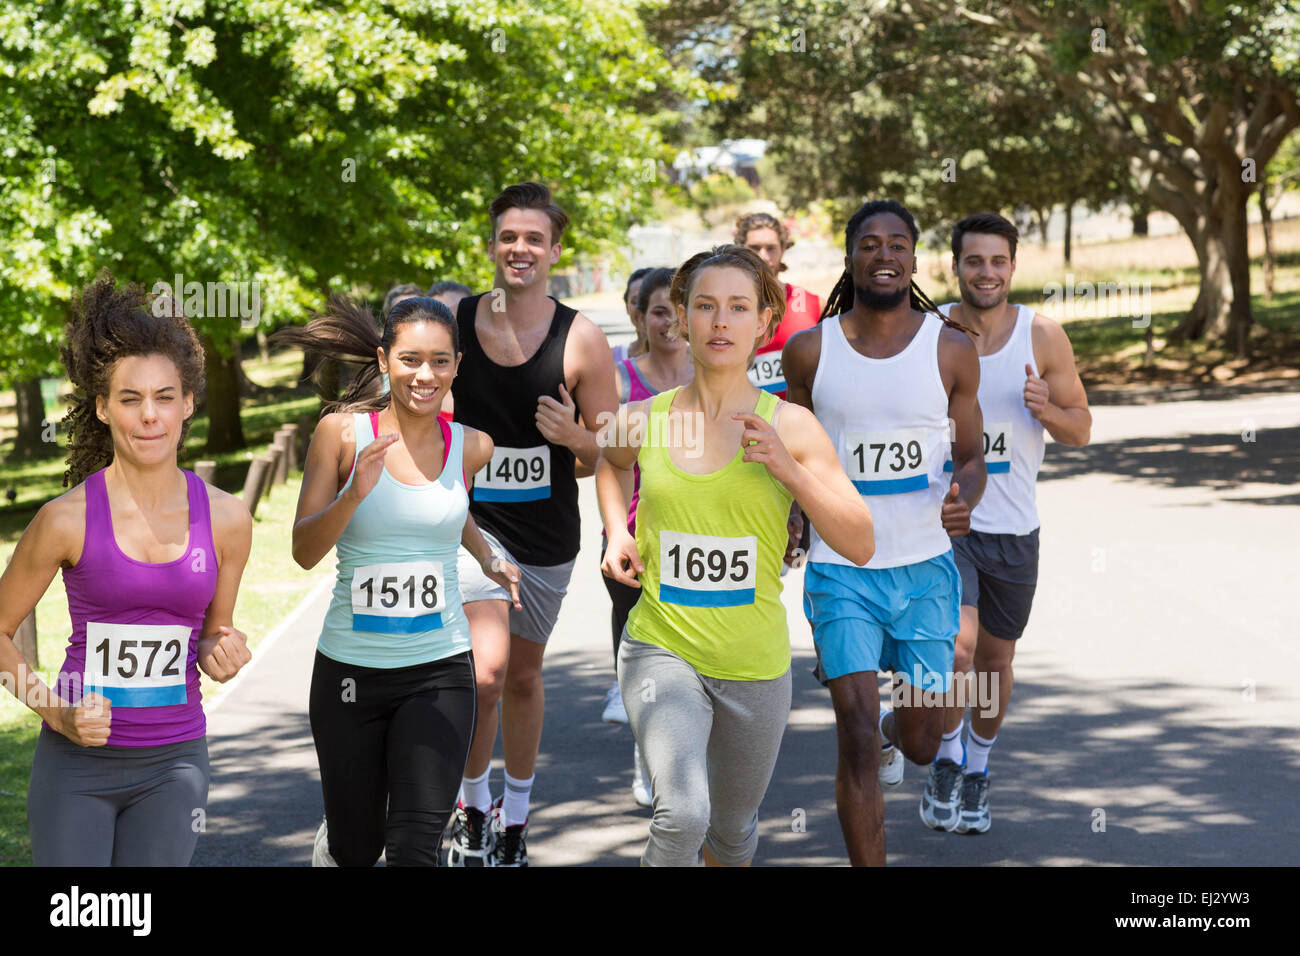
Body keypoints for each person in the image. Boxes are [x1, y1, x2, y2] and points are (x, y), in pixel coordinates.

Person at [598, 245, 873, 867]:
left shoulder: (793, 426)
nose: (721, 322)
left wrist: (787, 469)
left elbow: (859, 539)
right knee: (682, 814)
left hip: (754, 662)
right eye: (704, 306)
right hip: (660, 646)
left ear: (763, 323)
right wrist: (617, 531)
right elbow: (607, 465)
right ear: (679, 320)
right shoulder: (642, 419)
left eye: (738, 307)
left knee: (730, 832)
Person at [0, 272, 252, 866]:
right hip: (76, 767)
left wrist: (225, 648)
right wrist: (53, 708)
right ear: (102, 407)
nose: (149, 416)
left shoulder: (226, 520)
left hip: (175, 767)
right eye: (130, 399)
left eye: (165, 397)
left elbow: (217, 630)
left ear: (188, 404)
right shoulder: (64, 520)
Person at [277, 295, 520, 867]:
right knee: (357, 850)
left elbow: (443, 508)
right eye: (411, 359)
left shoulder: (472, 446)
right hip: (350, 675)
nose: (424, 375)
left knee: (413, 850)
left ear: (458, 365)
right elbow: (303, 551)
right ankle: (337, 844)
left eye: (440, 361)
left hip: (438, 672)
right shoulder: (340, 435)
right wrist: (354, 494)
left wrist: (486, 556)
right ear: (384, 360)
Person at [782, 199, 987, 866]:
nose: (884, 254)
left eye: (897, 243)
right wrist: (792, 515)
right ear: (850, 258)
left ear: (914, 258)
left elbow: (974, 456)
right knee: (858, 734)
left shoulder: (951, 349)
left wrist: (965, 498)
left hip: (926, 568)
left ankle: (909, 735)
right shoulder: (810, 351)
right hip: (841, 569)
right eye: (869, 244)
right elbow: (798, 449)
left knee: (923, 738)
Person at [446, 182, 618, 866]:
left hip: (546, 535)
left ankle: (516, 818)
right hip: (468, 526)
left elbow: (609, 454)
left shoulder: (581, 338)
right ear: (492, 244)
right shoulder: (454, 323)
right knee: (483, 675)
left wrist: (573, 434)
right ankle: (471, 808)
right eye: (508, 236)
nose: (520, 248)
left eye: (533, 239)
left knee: (520, 677)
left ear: (553, 249)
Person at [928, 212, 1091, 834]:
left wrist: (1047, 408)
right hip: (949, 520)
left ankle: (977, 770)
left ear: (1014, 266)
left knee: (995, 662)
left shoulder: (1042, 336)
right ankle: (944, 757)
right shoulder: (932, 331)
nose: (986, 272)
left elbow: (1081, 429)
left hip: (1015, 529)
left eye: (998, 261)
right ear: (956, 267)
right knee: (957, 651)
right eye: (974, 261)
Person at [598, 266, 692, 807]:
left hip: (698, 540)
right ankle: (647, 749)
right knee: (645, 662)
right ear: (642, 315)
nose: (671, 323)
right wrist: (616, 532)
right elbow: (604, 458)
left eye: (682, 311)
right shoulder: (620, 377)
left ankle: (684, 760)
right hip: (634, 542)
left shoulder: (720, 374)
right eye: (660, 310)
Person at [734, 212, 821, 400]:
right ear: (740, 248)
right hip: (741, 419)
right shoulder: (723, 307)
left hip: (797, 419)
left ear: (783, 249)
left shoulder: (812, 303)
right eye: (754, 248)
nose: (763, 256)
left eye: (771, 248)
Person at [610, 268, 653, 364]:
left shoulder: (689, 358)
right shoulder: (612, 358)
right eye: (635, 301)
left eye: (649, 301)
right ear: (626, 307)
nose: (643, 309)